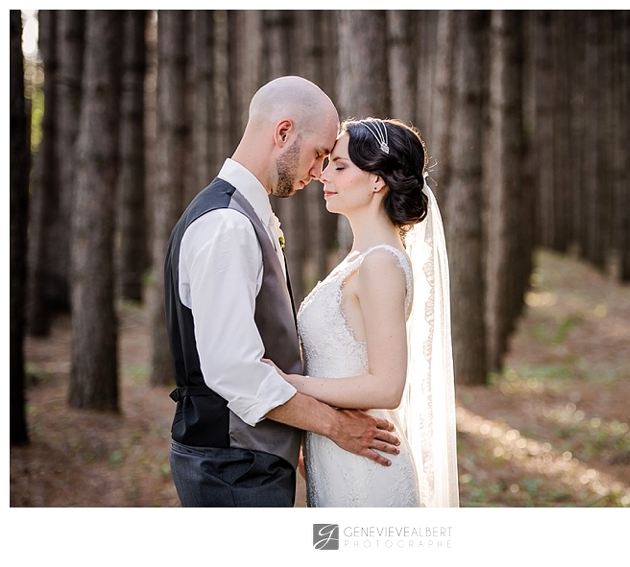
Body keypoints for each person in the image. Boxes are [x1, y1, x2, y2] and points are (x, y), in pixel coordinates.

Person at [164, 76, 401, 507]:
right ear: (284, 132)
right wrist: (333, 426)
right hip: (233, 466)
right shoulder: (228, 225)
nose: (319, 171)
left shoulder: (243, 216)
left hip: (248, 460)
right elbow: (235, 371)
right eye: (319, 154)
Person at [269, 118, 459, 507]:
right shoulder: (360, 259)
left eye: (339, 166)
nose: (323, 175)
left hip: (368, 471)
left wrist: (289, 384)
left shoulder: (380, 263)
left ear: (376, 180)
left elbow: (387, 387)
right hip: (338, 454)